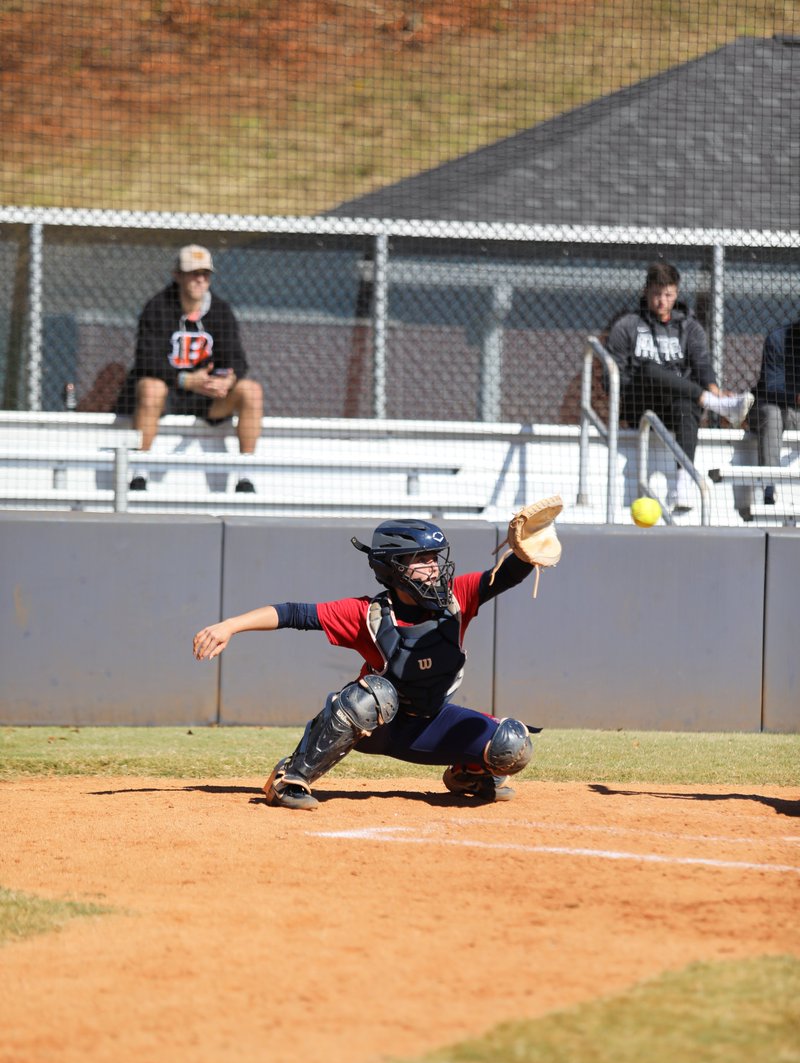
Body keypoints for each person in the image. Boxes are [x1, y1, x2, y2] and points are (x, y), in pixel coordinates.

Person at [193, 518, 540, 811]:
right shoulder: (368, 614)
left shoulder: (457, 598)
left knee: (512, 744)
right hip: (376, 726)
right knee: (376, 694)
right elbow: (293, 613)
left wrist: (526, 554)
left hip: (430, 724)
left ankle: (468, 773)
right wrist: (230, 626)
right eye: (421, 558)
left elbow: (507, 575)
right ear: (394, 568)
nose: (434, 567)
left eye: (435, 557)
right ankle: (291, 777)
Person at [605, 261, 754, 512]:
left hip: (676, 406)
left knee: (686, 405)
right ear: (646, 291)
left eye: (668, 295)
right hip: (639, 403)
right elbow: (613, 378)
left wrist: (714, 387)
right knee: (649, 369)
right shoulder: (627, 326)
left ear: (676, 293)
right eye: (656, 294)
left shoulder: (690, 327)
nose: (662, 301)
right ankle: (716, 405)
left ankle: (681, 486)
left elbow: (702, 364)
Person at [119, 245, 264, 492]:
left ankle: (245, 475)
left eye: (205, 274)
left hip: (207, 398)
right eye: (193, 273)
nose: (200, 280)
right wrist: (185, 380)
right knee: (150, 388)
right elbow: (146, 360)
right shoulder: (157, 308)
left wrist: (226, 381)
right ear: (177, 275)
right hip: (170, 393)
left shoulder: (220, 311)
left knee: (251, 391)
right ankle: (139, 472)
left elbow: (237, 359)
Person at [747, 317, 800, 505]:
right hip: (768, 406)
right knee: (773, 415)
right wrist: (796, 397)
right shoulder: (778, 338)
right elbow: (772, 385)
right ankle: (769, 488)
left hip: (796, 415)